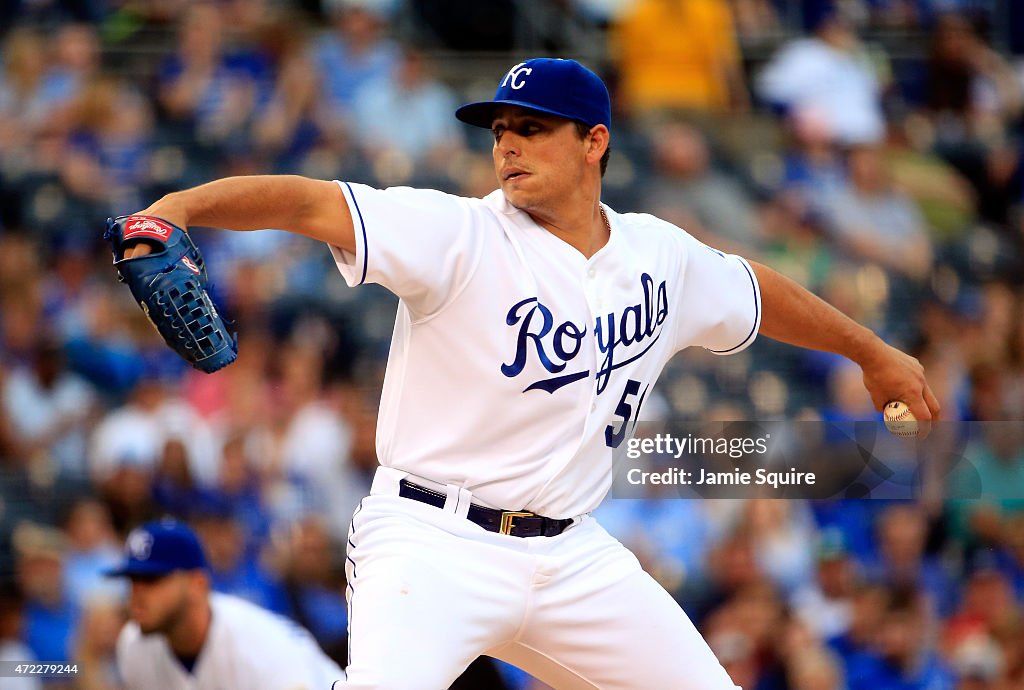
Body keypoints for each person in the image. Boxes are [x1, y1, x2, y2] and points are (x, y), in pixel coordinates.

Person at [120, 57, 940, 689]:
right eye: (500, 126)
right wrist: (179, 209)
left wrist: (871, 352)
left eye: (533, 126)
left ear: (595, 142)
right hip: (429, 543)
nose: (507, 142)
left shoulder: (659, 255)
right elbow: (308, 204)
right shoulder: (459, 234)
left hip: (573, 557)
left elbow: (755, 290)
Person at [104, 519, 343, 689]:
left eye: (151, 579)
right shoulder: (133, 645)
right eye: (132, 580)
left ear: (198, 584)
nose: (137, 593)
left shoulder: (261, 648)